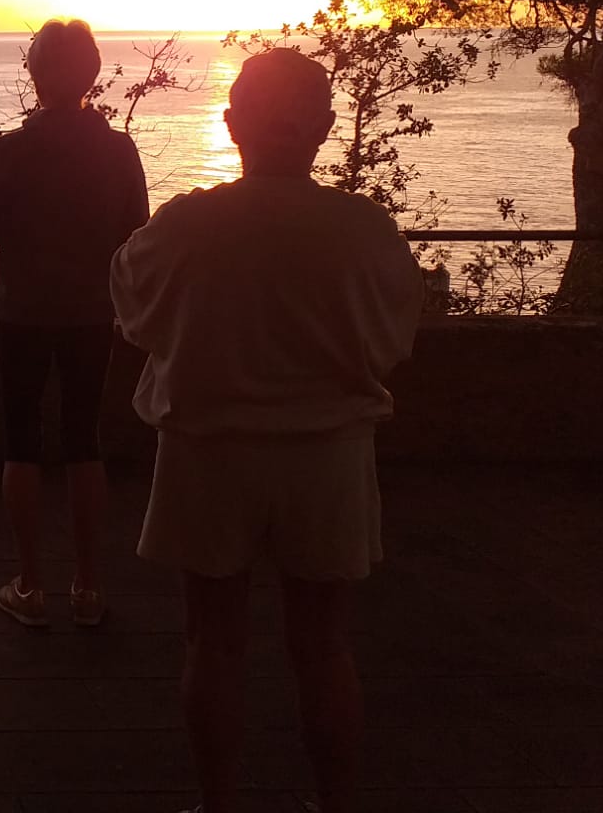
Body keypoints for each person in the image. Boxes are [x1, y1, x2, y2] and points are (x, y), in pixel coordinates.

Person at [110, 49, 423, 813]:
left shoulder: (188, 226)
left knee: (212, 640)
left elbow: (133, 309)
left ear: (233, 123)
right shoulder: (363, 230)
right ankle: (335, 804)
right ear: (323, 127)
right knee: (324, 645)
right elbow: (393, 340)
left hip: (210, 452)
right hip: (329, 454)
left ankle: (220, 803)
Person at [0, 18, 151, 628]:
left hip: (23, 311)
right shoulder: (118, 150)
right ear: (91, 76)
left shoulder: (13, 152)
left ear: (36, 76)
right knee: (83, 440)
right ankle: (88, 587)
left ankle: (31, 585)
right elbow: (138, 233)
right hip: (91, 312)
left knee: (22, 441)